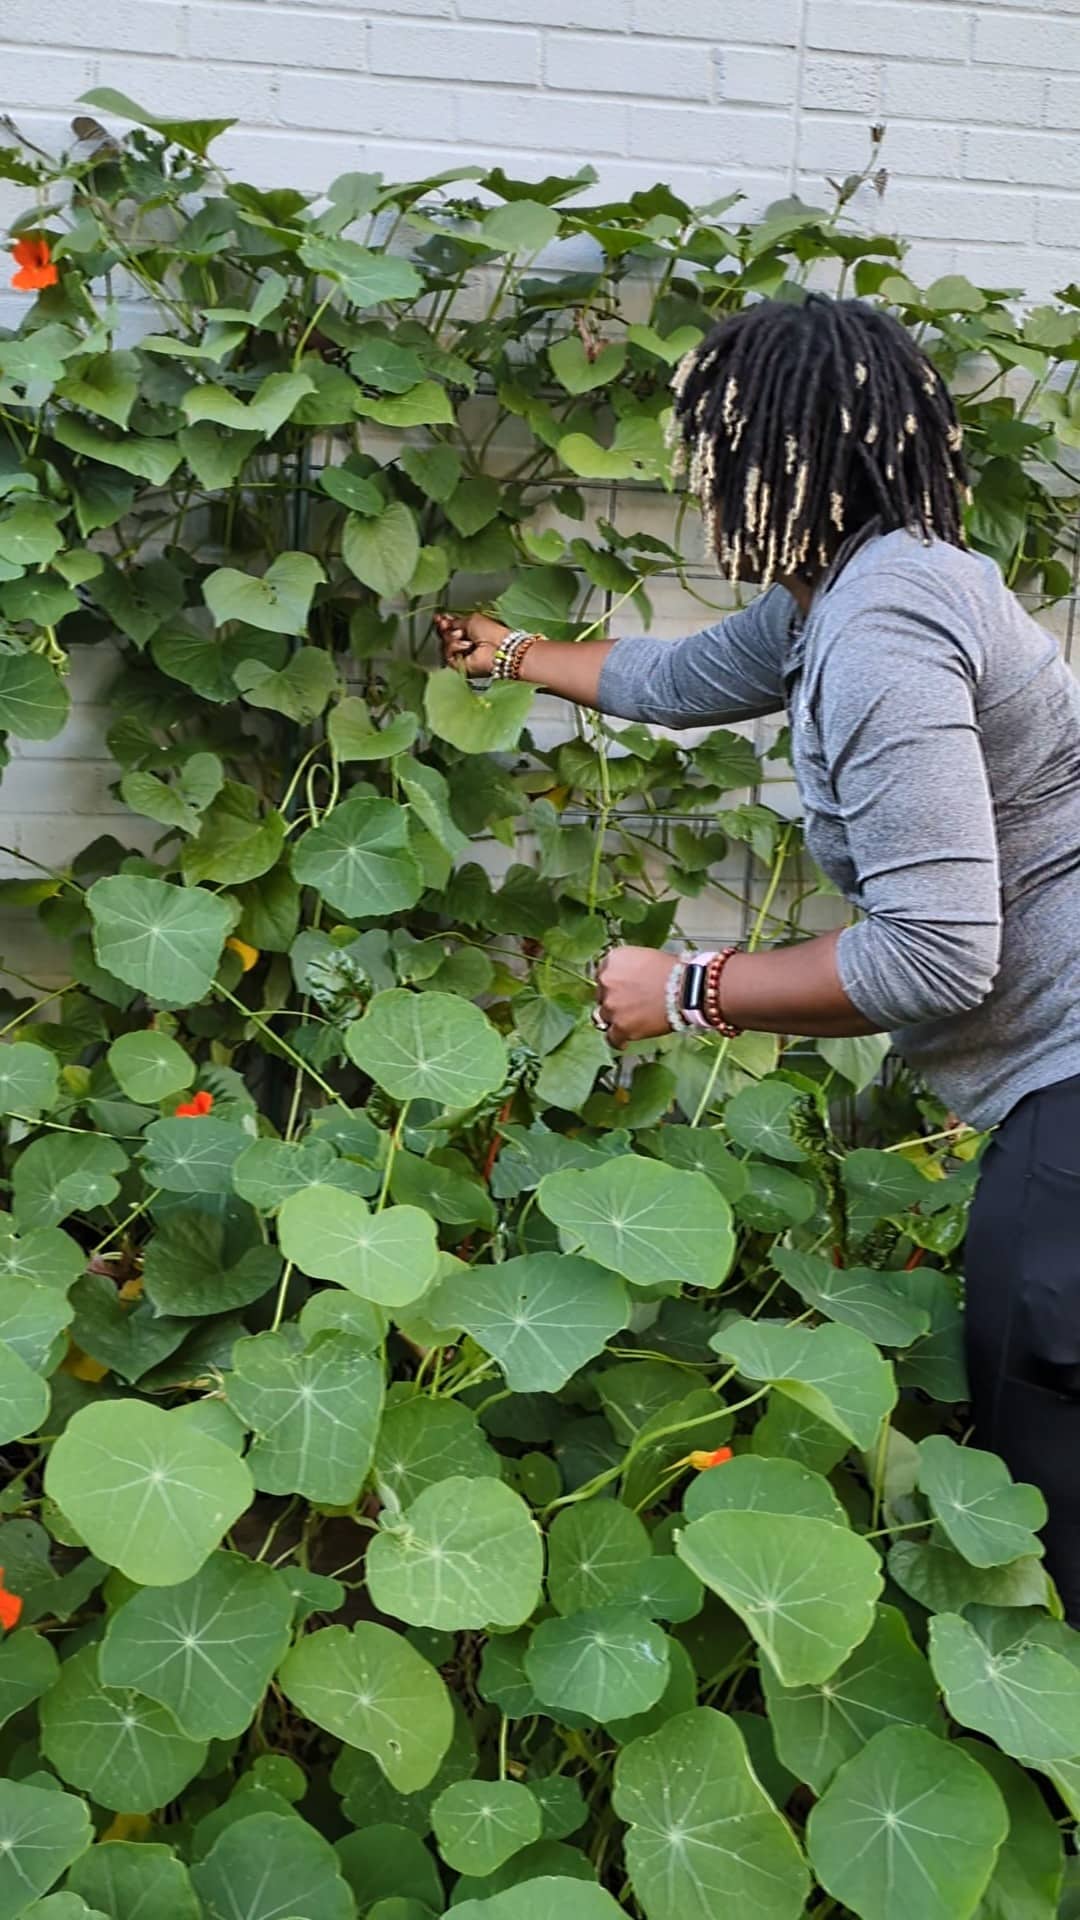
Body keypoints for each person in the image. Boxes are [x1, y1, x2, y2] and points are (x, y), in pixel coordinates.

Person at [435, 293, 1080, 1622]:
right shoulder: (855, 587)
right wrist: (512, 654)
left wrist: (685, 990)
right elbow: (680, 675)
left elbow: (935, 956)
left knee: (1054, 1530)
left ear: (764, 464)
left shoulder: (881, 635)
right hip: (1056, 1094)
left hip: (1073, 1113)